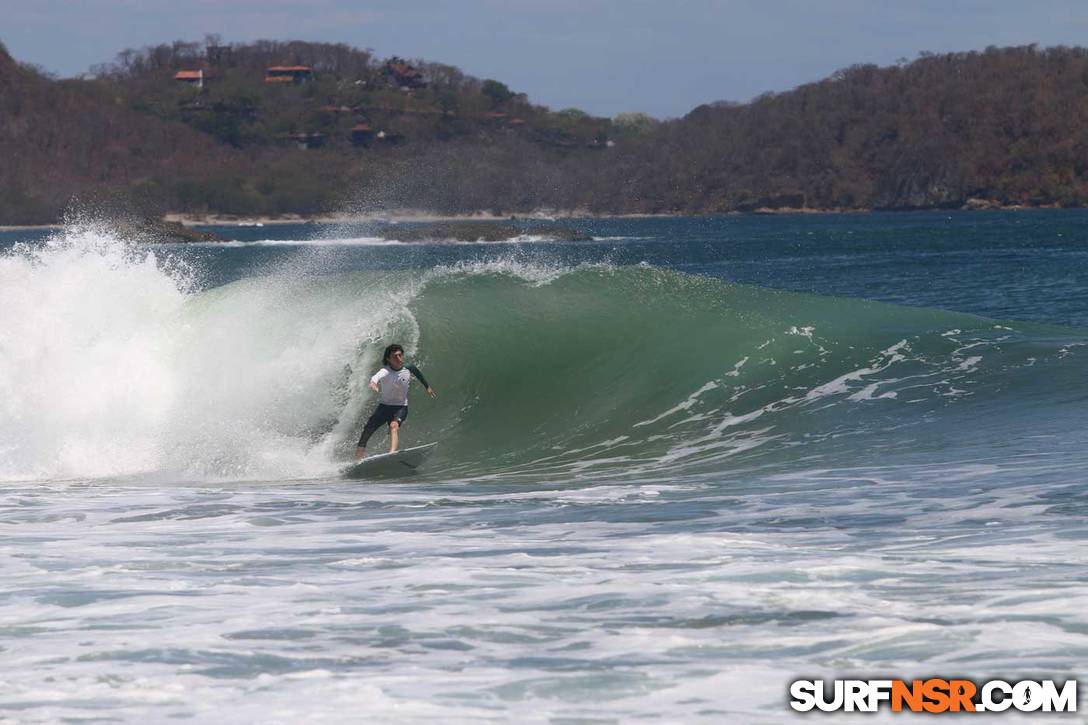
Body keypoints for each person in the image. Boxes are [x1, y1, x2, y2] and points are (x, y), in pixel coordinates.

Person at [354, 344, 436, 459]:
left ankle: (391, 455)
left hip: (401, 407)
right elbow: (376, 377)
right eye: (394, 356)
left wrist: (427, 387)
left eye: (400, 355)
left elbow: (418, 374)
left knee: (393, 426)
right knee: (367, 430)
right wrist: (373, 383)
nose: (398, 358)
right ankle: (357, 459)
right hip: (384, 407)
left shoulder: (409, 368)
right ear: (388, 359)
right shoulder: (385, 371)